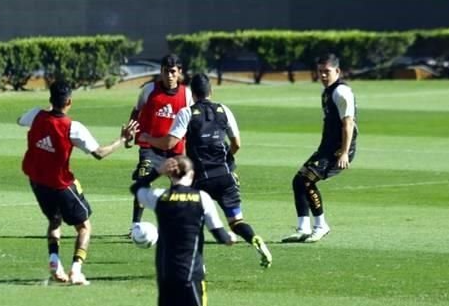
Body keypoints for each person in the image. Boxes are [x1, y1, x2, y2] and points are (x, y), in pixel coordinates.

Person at [140, 73, 272, 268]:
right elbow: (237, 143)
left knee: (195, 223)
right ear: (211, 91)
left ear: (192, 94)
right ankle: (256, 241)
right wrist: (227, 160)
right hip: (226, 177)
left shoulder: (186, 113)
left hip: (201, 180)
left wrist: (148, 139)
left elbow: (170, 142)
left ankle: (198, 264)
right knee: (236, 222)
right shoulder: (224, 110)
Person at [131, 155, 236, 306]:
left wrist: (156, 171)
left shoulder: (160, 197)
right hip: (192, 274)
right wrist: (230, 239)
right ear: (192, 174)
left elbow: (136, 188)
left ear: (171, 174)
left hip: (165, 273)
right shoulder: (202, 198)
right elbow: (220, 235)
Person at [19, 80, 138, 286]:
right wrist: (122, 139)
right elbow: (99, 153)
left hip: (37, 181)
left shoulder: (36, 114)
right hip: (60, 183)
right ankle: (76, 270)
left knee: (54, 221)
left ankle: (55, 261)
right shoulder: (73, 128)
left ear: (50, 99)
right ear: (69, 102)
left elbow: (20, 120)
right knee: (84, 226)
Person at [282, 53, 358, 243]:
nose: (323, 76)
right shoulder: (327, 91)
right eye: (320, 72)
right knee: (298, 182)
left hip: (338, 149)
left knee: (306, 180)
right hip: (327, 147)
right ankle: (303, 228)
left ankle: (321, 226)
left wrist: (344, 153)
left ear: (338, 71)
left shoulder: (341, 92)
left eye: (327, 72)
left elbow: (348, 124)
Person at [126, 53, 193, 234]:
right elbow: (137, 111)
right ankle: (135, 226)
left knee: (179, 188)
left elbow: (191, 122)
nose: (169, 76)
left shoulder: (187, 95)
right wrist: (130, 133)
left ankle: (174, 225)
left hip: (175, 151)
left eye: (173, 72)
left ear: (179, 72)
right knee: (142, 181)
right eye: (165, 71)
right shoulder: (148, 90)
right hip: (150, 149)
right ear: (161, 72)